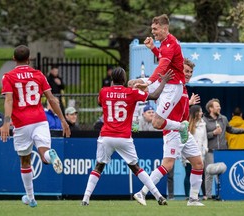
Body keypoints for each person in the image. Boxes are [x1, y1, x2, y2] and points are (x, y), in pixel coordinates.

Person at [81, 67, 174, 206]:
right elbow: (154, 96)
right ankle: (158, 196)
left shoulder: (104, 91)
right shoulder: (132, 93)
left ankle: (85, 198)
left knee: (98, 167)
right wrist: (164, 81)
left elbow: (99, 102)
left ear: (112, 79)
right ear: (124, 80)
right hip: (124, 136)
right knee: (136, 168)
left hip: (106, 135)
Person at [0, 45, 71, 208]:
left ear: (13, 59)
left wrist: (6, 122)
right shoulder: (38, 74)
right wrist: (63, 120)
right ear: (29, 59)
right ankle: (50, 156)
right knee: (43, 153)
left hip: (22, 124)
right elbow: (52, 99)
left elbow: (9, 101)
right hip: (40, 120)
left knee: (25, 160)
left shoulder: (8, 76)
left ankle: (31, 197)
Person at [134, 58, 205, 206]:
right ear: (180, 70)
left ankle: (193, 199)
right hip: (172, 131)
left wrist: (189, 103)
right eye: (186, 71)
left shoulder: (184, 88)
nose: (188, 74)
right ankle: (142, 192)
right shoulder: (171, 86)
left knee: (198, 163)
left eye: (191, 72)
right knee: (168, 165)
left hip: (184, 130)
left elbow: (183, 113)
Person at [134, 14, 189, 144]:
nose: (152, 32)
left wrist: (147, 82)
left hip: (173, 86)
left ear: (165, 29)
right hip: (164, 80)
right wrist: (153, 48)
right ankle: (135, 122)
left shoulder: (170, 45)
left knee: (157, 123)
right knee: (133, 83)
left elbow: (162, 67)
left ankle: (181, 127)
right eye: (152, 29)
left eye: (155, 29)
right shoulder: (165, 43)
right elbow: (163, 57)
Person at [202, 98, 244, 199]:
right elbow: (202, 135)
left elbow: (230, 129)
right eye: (217, 106)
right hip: (210, 151)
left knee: (222, 173)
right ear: (210, 108)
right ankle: (208, 196)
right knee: (209, 173)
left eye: (219, 106)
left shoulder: (224, 118)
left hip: (222, 151)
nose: (220, 108)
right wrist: (213, 133)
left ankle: (221, 195)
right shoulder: (204, 120)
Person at [185, 105, 208, 200]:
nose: (202, 113)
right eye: (200, 111)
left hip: (200, 153)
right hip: (189, 154)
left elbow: (205, 138)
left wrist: (205, 149)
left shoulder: (203, 124)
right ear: (196, 113)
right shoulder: (187, 124)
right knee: (188, 174)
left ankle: (203, 194)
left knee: (200, 174)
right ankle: (188, 195)